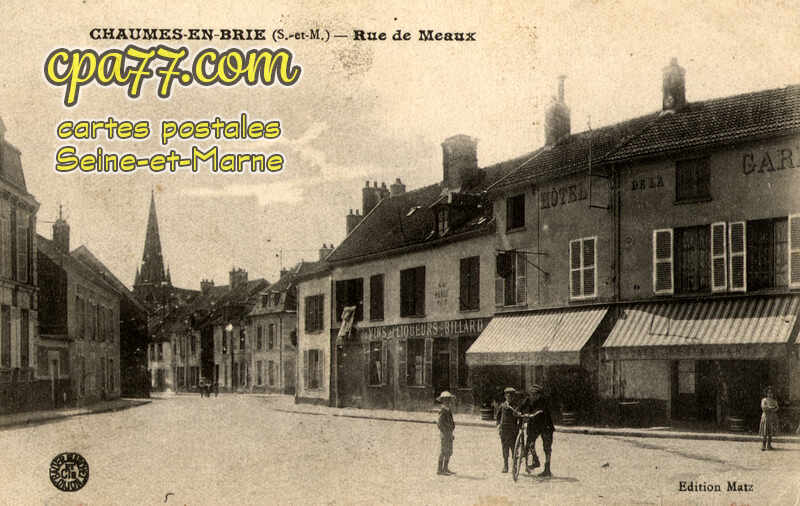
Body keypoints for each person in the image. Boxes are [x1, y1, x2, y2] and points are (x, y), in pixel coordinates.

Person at [520, 384, 555, 477]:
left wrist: (536, 412)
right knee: (529, 444)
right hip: (534, 425)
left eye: (535, 394)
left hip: (545, 424)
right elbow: (521, 407)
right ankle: (535, 461)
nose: (533, 396)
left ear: (539, 395)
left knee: (547, 447)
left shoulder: (544, 401)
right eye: (532, 394)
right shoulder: (528, 400)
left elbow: (542, 410)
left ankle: (547, 469)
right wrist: (517, 412)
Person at [496, 387, 520, 473]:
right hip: (504, 430)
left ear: (513, 397)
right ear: (505, 396)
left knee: (514, 448)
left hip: (513, 430)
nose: (509, 397)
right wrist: (498, 425)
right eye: (507, 395)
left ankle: (515, 466)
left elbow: (519, 417)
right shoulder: (502, 406)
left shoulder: (516, 406)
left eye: (511, 395)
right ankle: (505, 465)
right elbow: (498, 416)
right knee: (505, 448)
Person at [436, 391, 456, 476]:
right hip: (445, 434)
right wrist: (445, 432)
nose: (448, 402)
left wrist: (451, 431)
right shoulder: (442, 410)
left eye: (449, 400)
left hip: (449, 433)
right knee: (443, 451)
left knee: (449, 451)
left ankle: (445, 468)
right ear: (443, 400)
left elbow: (451, 422)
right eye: (446, 400)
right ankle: (440, 470)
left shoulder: (448, 410)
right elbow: (439, 423)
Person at [759, 386, 779, 451]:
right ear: (766, 393)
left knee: (770, 431)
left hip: (772, 417)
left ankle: (769, 445)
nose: (770, 394)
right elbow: (763, 407)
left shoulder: (774, 401)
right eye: (768, 393)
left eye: (771, 393)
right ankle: (763, 445)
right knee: (764, 431)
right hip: (765, 417)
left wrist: (772, 409)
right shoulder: (764, 400)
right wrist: (770, 408)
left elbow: (777, 408)